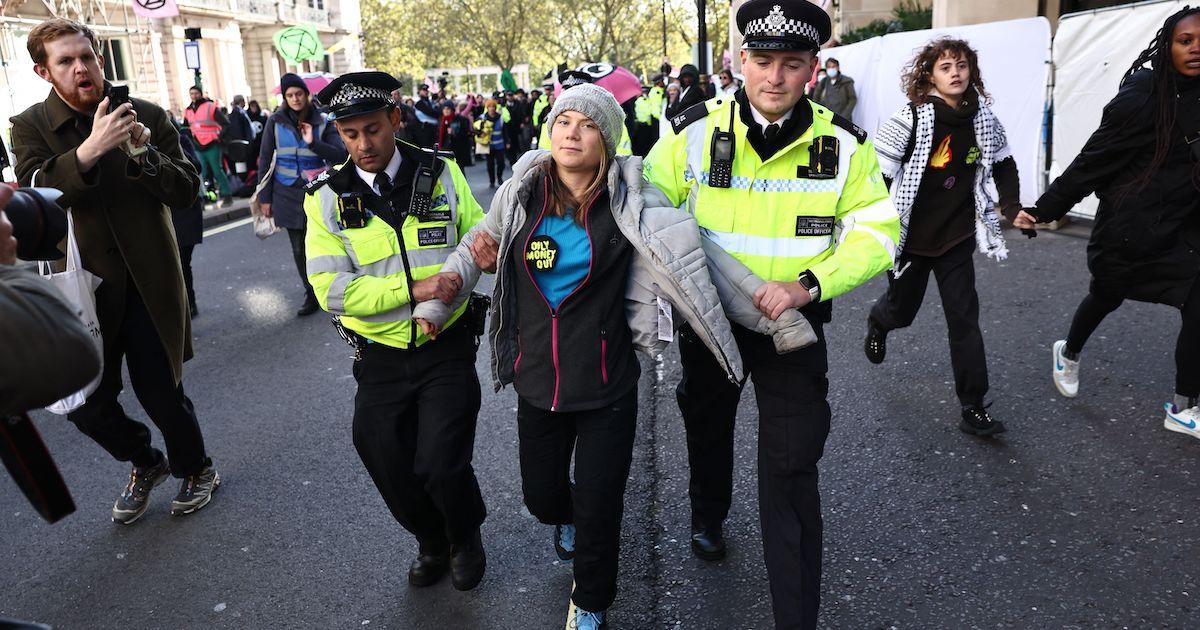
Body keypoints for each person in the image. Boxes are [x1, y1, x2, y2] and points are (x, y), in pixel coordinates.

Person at [420, 83, 815, 630]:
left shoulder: (636, 205)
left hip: (608, 382)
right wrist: (437, 305)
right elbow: (475, 249)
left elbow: (709, 268)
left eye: (586, 124)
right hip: (537, 380)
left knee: (602, 506)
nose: (572, 133)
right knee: (542, 497)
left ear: (606, 139)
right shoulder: (521, 193)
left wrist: (782, 318)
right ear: (550, 132)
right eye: (563, 122)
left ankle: (592, 601)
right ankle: (567, 518)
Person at [642, 1, 900, 627]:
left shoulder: (845, 146)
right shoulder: (693, 132)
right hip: (710, 326)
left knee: (790, 469)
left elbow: (877, 232)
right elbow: (649, 206)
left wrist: (811, 283)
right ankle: (709, 512)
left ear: (813, 69)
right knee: (707, 430)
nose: (774, 78)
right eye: (762, 62)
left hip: (795, 328)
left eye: (792, 64)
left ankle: (796, 617)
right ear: (738, 63)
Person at [11, 18, 219, 524]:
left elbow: (187, 190)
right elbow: (31, 191)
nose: (81, 68)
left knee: (162, 391)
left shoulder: (146, 114)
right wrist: (89, 150)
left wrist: (142, 152)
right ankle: (145, 461)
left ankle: (197, 468)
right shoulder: (29, 125)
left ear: (99, 56)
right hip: (82, 287)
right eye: (66, 61)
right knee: (87, 404)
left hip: (148, 281)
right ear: (44, 71)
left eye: (87, 56)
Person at [304, 71, 489, 591]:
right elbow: (331, 291)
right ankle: (431, 538)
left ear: (395, 120)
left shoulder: (441, 172)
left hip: (446, 343)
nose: (364, 145)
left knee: (441, 460)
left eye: (373, 130)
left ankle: (463, 534)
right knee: (383, 454)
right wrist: (414, 290)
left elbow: (475, 235)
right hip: (380, 353)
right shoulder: (325, 198)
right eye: (350, 134)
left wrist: (485, 255)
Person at [1014, 6, 1200, 440]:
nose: (1196, 50)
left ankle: (1183, 406)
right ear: (1167, 44)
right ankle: (1069, 351)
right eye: (1185, 41)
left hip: (1183, 228)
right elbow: (1092, 161)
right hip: (1130, 230)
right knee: (1105, 297)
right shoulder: (1143, 95)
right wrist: (1045, 208)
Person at [866, 37, 1019, 437]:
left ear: (972, 72)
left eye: (962, 66)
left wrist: (1012, 207)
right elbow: (878, 175)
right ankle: (879, 322)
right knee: (903, 311)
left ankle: (974, 406)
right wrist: (870, 224)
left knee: (964, 320)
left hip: (956, 236)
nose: (956, 73)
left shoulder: (982, 118)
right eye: (946, 67)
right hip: (912, 237)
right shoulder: (911, 118)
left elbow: (1004, 163)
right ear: (930, 75)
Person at [257, 73, 348, 316]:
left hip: (318, 192)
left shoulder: (322, 120)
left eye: (299, 94)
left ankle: (330, 286)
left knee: (325, 244)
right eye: (290, 95)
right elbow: (265, 158)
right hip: (285, 193)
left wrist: (313, 143)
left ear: (306, 95)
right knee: (299, 248)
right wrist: (264, 198)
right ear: (285, 98)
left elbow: (341, 155)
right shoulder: (274, 121)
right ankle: (311, 293)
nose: (295, 98)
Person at [174, 125, 205, 318]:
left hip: (185, 213)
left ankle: (189, 303)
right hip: (166, 215)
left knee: (183, 262)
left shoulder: (182, 140)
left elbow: (196, 167)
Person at [184, 85, 232, 206]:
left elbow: (225, 123)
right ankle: (210, 196)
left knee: (217, 171)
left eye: (196, 93)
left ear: (200, 94)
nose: (194, 96)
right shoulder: (188, 110)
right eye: (191, 94)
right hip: (197, 145)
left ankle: (227, 195)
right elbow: (185, 128)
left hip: (212, 144)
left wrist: (218, 137)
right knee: (204, 172)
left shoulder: (210, 107)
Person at [474, 99, 508, 187]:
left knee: (501, 163)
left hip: (499, 145)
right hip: (487, 145)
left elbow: (505, 131)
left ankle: (499, 177)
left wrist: (507, 142)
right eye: (490, 107)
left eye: (493, 107)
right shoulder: (482, 118)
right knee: (490, 164)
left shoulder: (500, 118)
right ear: (487, 108)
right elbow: (476, 129)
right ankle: (492, 180)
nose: (492, 108)